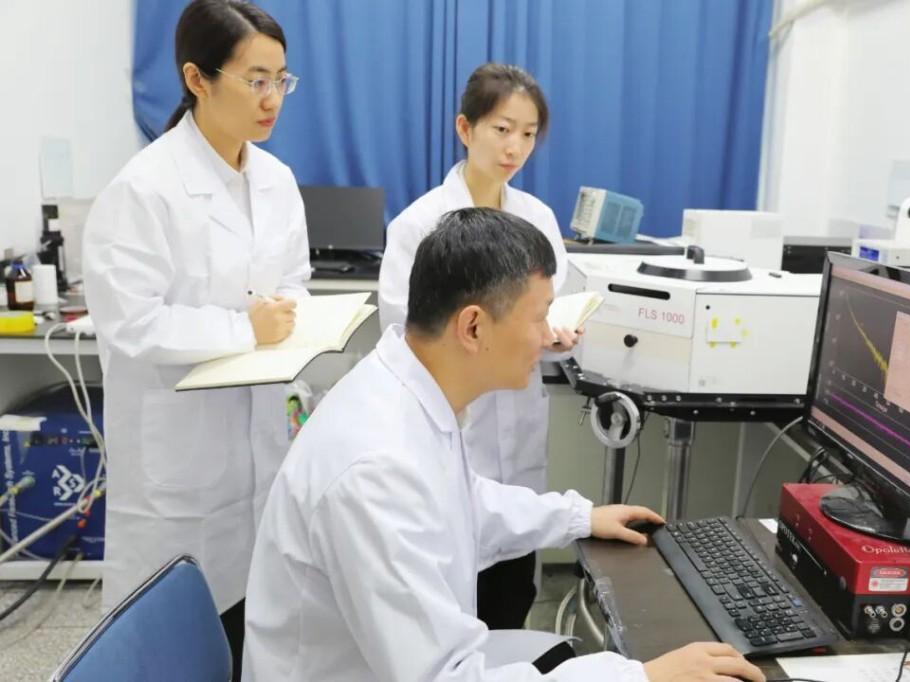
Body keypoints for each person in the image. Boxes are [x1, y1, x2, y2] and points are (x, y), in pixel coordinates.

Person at [243, 208, 765, 682]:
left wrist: (577, 517)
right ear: (473, 326)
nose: (547, 336)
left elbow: (464, 503)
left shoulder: (407, 394)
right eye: (538, 317)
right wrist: (643, 679)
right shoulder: (376, 467)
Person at [82, 0, 308, 676]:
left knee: (246, 634)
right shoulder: (144, 189)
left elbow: (293, 282)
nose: (272, 99)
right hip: (178, 467)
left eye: (281, 80)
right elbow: (133, 322)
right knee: (173, 642)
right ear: (196, 78)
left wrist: (293, 316)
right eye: (255, 80)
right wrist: (243, 329)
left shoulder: (276, 182)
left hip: (257, 447)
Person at [378, 62, 576, 630]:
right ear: (465, 128)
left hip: (518, 438)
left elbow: (552, 309)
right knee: (448, 602)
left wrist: (558, 334)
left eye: (529, 133)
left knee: (511, 595)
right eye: (502, 129)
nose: (515, 147)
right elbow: (406, 335)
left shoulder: (538, 218)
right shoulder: (420, 225)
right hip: (454, 432)